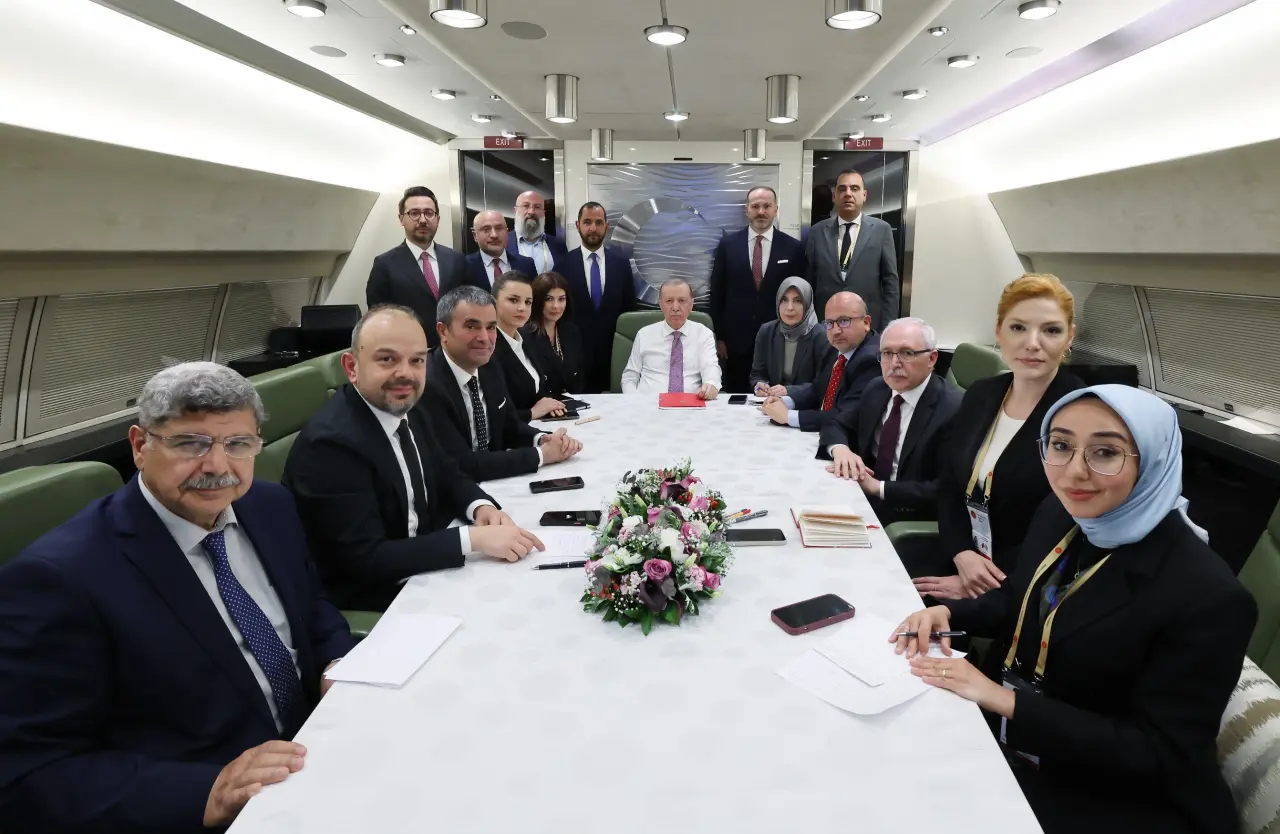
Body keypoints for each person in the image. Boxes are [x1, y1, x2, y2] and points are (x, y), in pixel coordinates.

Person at [0, 363, 356, 833]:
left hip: (322, 742)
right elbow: (30, 773)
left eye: (238, 444)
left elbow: (311, 606)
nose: (218, 467)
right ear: (140, 447)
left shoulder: (269, 506)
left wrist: (337, 664)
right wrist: (207, 791)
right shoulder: (60, 579)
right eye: (190, 444)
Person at [894, 385, 1256, 834]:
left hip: (1115, 796)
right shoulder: (1064, 513)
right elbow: (1026, 597)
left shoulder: (1208, 596)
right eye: (1061, 445)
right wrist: (950, 615)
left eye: (1106, 452)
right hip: (1023, 741)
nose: (1074, 472)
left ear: (1154, 459)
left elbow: (1160, 752)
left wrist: (1005, 700)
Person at [281, 305, 544, 612]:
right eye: (387, 359)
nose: (405, 373)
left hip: (422, 563)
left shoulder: (409, 407)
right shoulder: (331, 445)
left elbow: (446, 471)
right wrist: (472, 539)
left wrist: (479, 507)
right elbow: (365, 560)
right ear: (352, 367)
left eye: (417, 360)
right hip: (376, 596)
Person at [914, 274, 1085, 597]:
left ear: (1069, 337)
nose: (1032, 343)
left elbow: (1067, 529)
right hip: (962, 560)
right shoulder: (982, 395)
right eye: (1018, 327)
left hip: (1025, 586)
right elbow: (950, 484)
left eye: (1051, 330)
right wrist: (961, 552)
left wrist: (986, 586)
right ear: (998, 331)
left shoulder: (1082, 414)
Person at [420, 286, 583, 483]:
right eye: (471, 326)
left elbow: (508, 425)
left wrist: (542, 439)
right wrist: (542, 455)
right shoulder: (427, 384)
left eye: (490, 327)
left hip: (497, 481)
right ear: (443, 331)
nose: (484, 338)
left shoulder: (489, 365)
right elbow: (461, 463)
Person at [819, 317, 962, 525]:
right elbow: (836, 422)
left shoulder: (953, 409)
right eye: (887, 353)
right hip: (860, 498)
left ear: (932, 359)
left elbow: (947, 490)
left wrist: (877, 487)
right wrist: (840, 449)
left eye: (907, 353)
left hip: (908, 517)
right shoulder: (877, 388)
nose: (894, 364)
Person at [709, 185, 807, 392]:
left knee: (773, 395)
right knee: (736, 396)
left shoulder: (793, 248)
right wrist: (720, 337)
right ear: (747, 210)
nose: (761, 212)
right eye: (755, 206)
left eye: (767, 206)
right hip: (736, 342)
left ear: (775, 210)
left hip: (779, 339)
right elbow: (717, 292)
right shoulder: (728, 245)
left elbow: (801, 295)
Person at [760, 291, 880, 432]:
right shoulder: (833, 349)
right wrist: (785, 402)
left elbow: (847, 415)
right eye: (829, 323)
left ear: (866, 322)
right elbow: (819, 389)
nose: (836, 331)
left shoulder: (872, 360)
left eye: (844, 321)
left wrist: (788, 416)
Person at [366, 186, 468, 349]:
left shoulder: (456, 259)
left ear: (438, 219)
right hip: (409, 350)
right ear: (401, 219)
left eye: (429, 213)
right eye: (414, 213)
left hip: (454, 348)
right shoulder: (384, 264)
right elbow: (379, 317)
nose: (422, 220)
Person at [556, 201, 637, 393]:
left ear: (606, 226)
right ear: (578, 225)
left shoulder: (621, 265)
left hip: (614, 355)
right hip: (576, 357)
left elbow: (629, 310)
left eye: (599, 222)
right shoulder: (563, 266)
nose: (593, 228)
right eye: (587, 222)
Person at [804, 169, 900, 329]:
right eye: (842, 189)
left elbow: (890, 283)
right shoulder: (817, 232)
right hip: (825, 324)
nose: (848, 193)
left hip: (867, 324)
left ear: (864, 195)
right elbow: (809, 282)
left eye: (854, 188)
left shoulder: (882, 230)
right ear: (834, 196)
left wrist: (888, 328)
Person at [620, 279, 721, 399]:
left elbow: (711, 368)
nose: (675, 307)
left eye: (682, 301)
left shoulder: (704, 334)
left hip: (691, 403)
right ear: (660, 304)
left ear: (691, 304)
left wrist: (711, 385)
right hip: (648, 404)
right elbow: (629, 377)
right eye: (669, 301)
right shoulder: (644, 334)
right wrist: (634, 401)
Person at [489, 272, 569, 421]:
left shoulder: (524, 340)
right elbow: (492, 414)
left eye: (528, 302)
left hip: (537, 424)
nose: (522, 308)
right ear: (493, 302)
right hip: (513, 431)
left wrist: (549, 403)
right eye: (513, 300)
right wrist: (532, 413)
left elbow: (535, 389)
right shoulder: (488, 347)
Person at [749, 277, 833, 397]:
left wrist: (789, 391)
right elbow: (757, 373)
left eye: (797, 301)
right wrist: (759, 385)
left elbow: (823, 385)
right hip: (770, 402)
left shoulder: (822, 337)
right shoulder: (766, 331)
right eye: (784, 300)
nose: (789, 308)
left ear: (807, 304)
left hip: (805, 405)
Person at [527, 271, 585, 395]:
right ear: (537, 300)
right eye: (549, 299)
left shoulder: (571, 331)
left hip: (572, 401)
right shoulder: (525, 335)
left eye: (561, 299)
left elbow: (579, 377)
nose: (556, 306)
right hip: (540, 403)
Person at [465, 209, 537, 292]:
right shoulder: (465, 266)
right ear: (475, 236)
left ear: (507, 232)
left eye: (499, 228)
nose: (494, 235)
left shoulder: (527, 265)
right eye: (486, 229)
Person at [507, 190, 567, 275]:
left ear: (544, 213)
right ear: (515, 211)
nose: (531, 212)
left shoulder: (559, 245)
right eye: (526, 206)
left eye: (537, 207)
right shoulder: (504, 243)